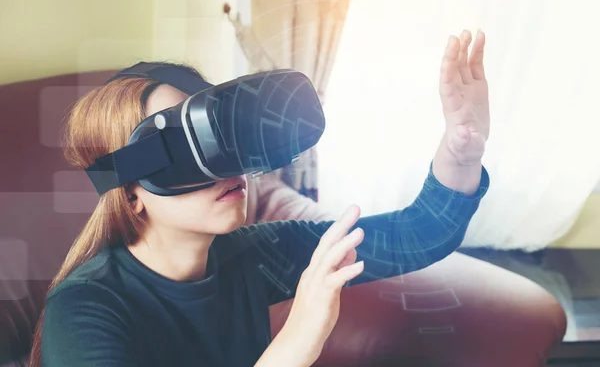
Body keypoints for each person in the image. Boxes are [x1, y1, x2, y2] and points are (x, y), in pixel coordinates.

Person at [30, 29, 490, 367]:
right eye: (190, 151)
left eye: (220, 137)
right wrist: (296, 343)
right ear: (133, 197)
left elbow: (420, 233)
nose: (226, 167)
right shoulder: (83, 309)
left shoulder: (253, 255)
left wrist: (461, 152)